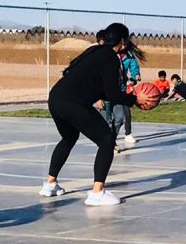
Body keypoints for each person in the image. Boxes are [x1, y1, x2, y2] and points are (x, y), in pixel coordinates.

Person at [41, 23, 157, 206]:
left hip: (56, 98)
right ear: (123, 41)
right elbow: (112, 93)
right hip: (73, 102)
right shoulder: (110, 57)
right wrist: (134, 99)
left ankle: (50, 184)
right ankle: (97, 193)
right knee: (106, 140)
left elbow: (97, 86)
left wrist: (128, 97)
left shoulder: (95, 52)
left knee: (69, 138)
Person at [111, 41, 142, 148]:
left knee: (125, 114)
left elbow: (134, 68)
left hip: (122, 88)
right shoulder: (111, 54)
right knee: (110, 117)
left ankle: (127, 133)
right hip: (109, 88)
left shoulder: (129, 56)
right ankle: (108, 140)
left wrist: (135, 76)